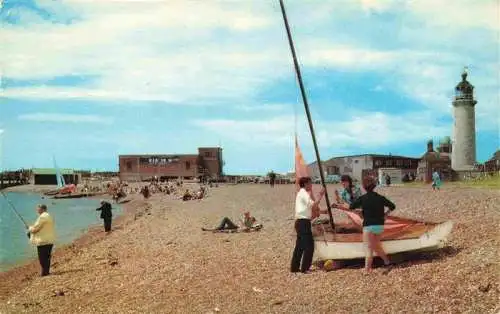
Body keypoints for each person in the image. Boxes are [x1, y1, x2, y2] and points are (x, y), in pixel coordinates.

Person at [334, 176, 396, 274]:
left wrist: (338, 205)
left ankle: (367, 270)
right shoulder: (380, 198)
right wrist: (385, 214)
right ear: (374, 186)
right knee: (376, 246)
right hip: (379, 226)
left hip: (368, 226)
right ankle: (387, 262)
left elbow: (351, 207)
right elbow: (393, 206)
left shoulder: (363, 198)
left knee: (368, 248)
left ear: (363, 187)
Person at [290, 177, 325, 273]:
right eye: (310, 183)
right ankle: (305, 268)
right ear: (305, 184)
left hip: (300, 222)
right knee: (309, 245)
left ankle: (294, 268)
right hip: (303, 222)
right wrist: (320, 196)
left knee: (299, 246)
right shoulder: (303, 193)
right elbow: (313, 205)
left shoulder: (301, 193)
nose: (311, 185)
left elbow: (308, 208)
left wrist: (322, 211)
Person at [28, 204, 55, 277]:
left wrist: (29, 228)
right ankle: (46, 273)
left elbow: (35, 229)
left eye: (38, 209)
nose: (37, 210)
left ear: (43, 209)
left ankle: (45, 273)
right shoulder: (49, 216)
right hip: (50, 240)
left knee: (42, 259)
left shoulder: (42, 217)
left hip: (43, 241)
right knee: (47, 257)